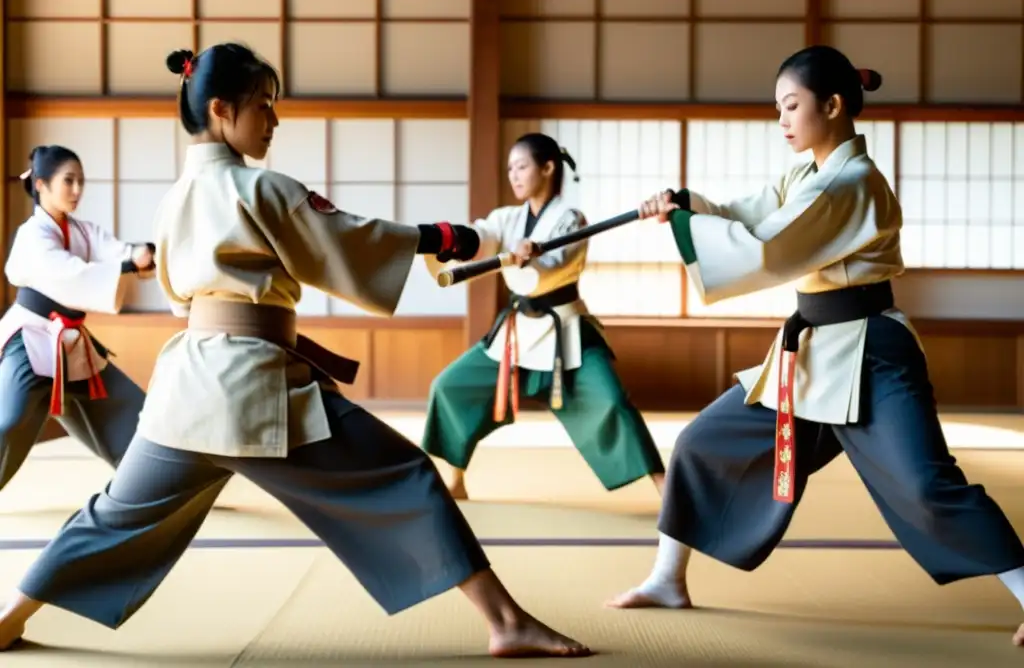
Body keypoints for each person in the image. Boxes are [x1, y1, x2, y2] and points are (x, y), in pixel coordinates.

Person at [0, 43, 591, 659]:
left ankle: (8, 616)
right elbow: (346, 240)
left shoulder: (173, 198)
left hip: (185, 391)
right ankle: (506, 622)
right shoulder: (262, 189)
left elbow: (181, 296)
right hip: (253, 390)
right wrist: (440, 237)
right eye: (264, 107)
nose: (273, 122)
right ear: (222, 109)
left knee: (111, 516)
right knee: (406, 477)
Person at [605, 45, 1024, 648]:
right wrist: (686, 205)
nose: (782, 120)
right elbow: (744, 215)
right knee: (702, 443)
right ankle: (667, 578)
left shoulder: (851, 183)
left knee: (927, 486)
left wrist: (683, 226)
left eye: (791, 106)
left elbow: (769, 248)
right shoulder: (807, 173)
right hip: (809, 354)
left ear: (832, 105)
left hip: (870, 352)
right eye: (778, 107)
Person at [422, 133, 665, 501]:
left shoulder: (571, 218)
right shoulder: (507, 218)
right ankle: (456, 480)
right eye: (509, 169)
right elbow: (482, 237)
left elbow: (557, 264)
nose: (514, 176)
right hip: (516, 332)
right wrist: (450, 240)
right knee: (450, 387)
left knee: (612, 401)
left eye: (522, 166)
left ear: (548, 168)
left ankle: (667, 491)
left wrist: (534, 255)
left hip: (566, 330)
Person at [0, 145, 154, 493]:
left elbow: (115, 250)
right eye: (68, 181)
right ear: (41, 185)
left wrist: (140, 253)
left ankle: (154, 486)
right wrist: (128, 265)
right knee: (8, 422)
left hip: (70, 344)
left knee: (134, 410)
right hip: (31, 340)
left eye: (80, 181)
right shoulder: (32, 234)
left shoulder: (83, 232)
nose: (77, 190)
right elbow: (68, 275)